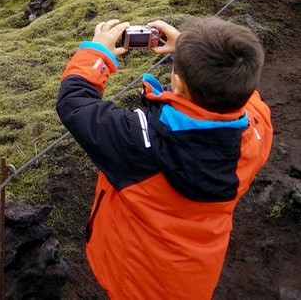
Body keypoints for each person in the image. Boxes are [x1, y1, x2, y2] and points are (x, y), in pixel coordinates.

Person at [56, 17, 273, 300]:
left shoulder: (140, 143)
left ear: (178, 84)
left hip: (134, 281)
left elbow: (74, 102)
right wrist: (193, 53)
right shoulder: (256, 133)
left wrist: (96, 53)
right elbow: (244, 94)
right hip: (194, 282)